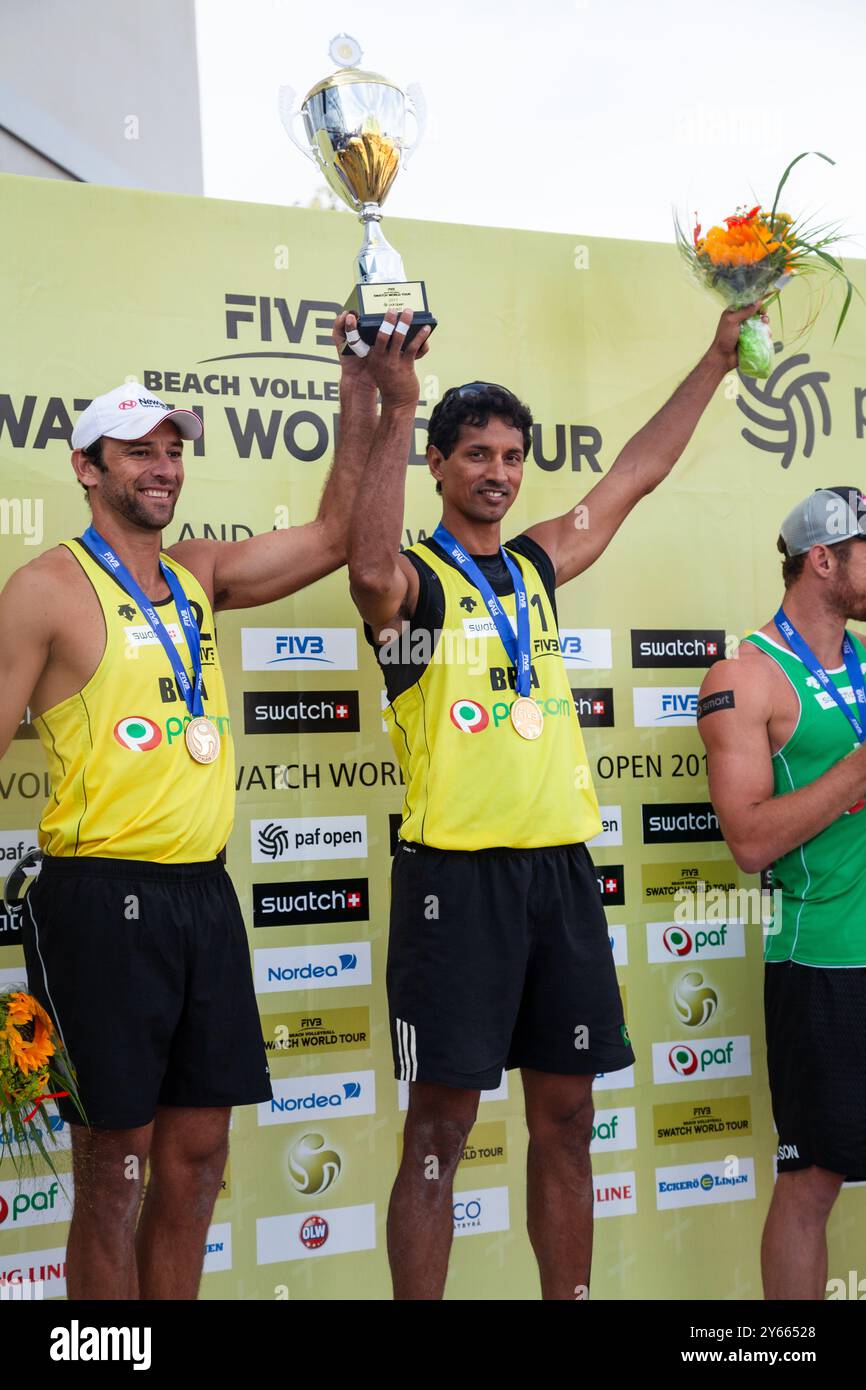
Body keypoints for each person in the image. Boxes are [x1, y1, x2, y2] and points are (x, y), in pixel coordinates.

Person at [0, 311, 421, 1300]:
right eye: (137, 450)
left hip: (202, 897)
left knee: (194, 1162)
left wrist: (357, 385)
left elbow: (330, 535)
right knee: (115, 1168)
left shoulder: (197, 575)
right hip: (98, 900)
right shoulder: (45, 587)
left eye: (173, 450)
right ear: (85, 467)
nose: (162, 466)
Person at [348, 302, 758, 1300]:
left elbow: (632, 476)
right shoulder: (415, 591)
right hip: (454, 885)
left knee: (566, 1118)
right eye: (476, 453)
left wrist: (710, 359)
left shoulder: (533, 565)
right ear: (437, 465)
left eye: (512, 455)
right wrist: (395, 406)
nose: (497, 471)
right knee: (440, 1130)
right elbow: (363, 571)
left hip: (558, 879)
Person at [697, 486, 866, 1301]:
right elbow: (749, 840)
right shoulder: (745, 674)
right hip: (825, 961)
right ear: (823, 558)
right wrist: (858, 769)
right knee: (813, 1184)